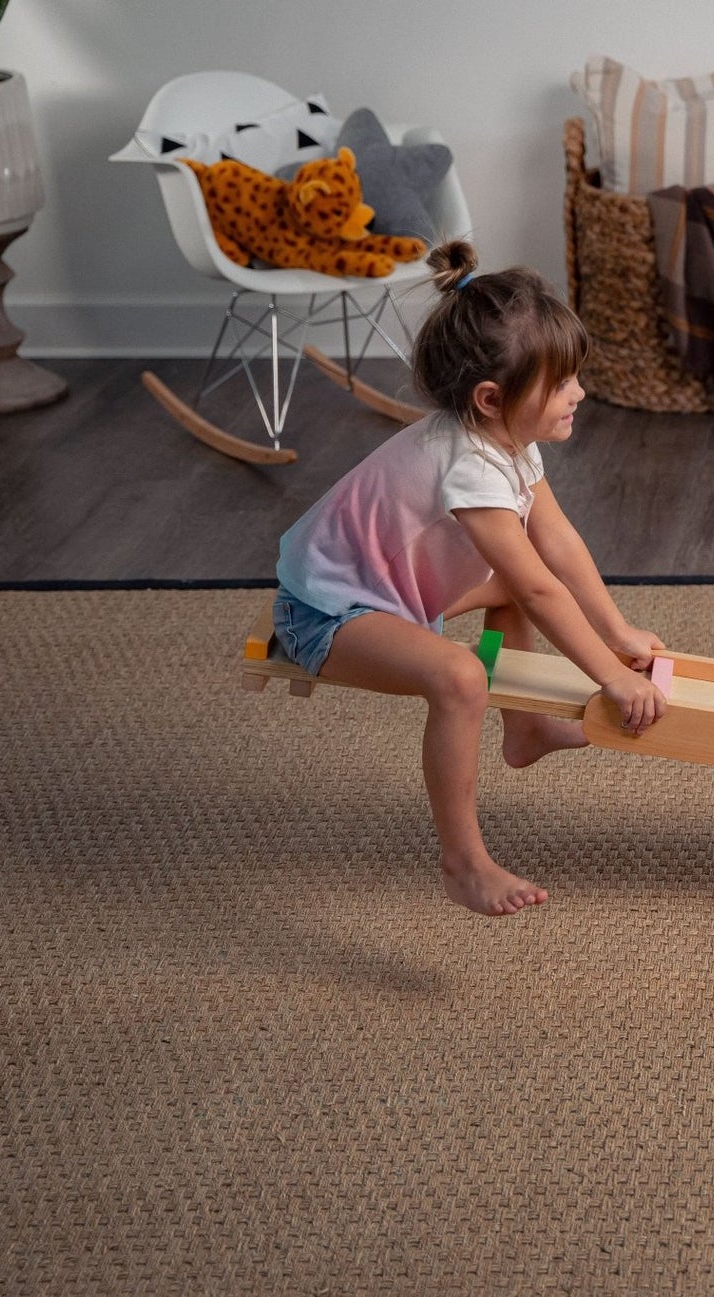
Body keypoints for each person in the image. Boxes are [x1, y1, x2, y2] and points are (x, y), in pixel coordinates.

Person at [272, 240, 667, 917]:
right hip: (326, 612)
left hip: (393, 588)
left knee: (507, 594)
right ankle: (463, 862)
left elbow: (560, 545)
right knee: (460, 677)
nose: (579, 393)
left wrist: (616, 626)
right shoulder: (472, 469)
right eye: (562, 383)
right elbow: (543, 588)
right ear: (491, 398)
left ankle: (525, 732)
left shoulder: (508, 440)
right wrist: (611, 674)